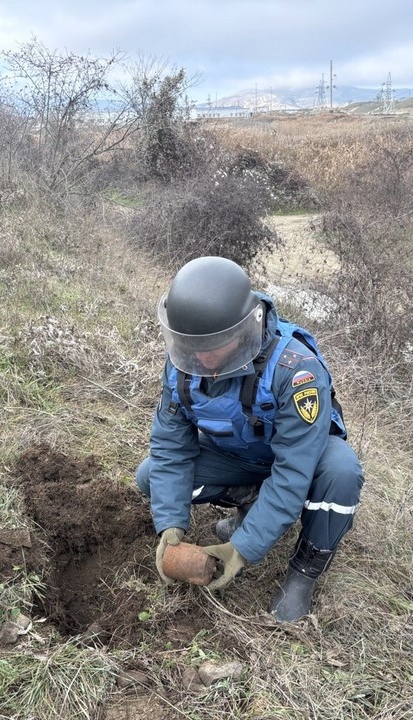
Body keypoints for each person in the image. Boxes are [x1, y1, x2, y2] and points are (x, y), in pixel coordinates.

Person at [135, 256, 365, 622]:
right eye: (192, 345)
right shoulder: (185, 360)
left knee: (342, 472)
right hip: (239, 456)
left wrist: (240, 551)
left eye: (214, 344)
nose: (201, 357)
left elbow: (293, 472)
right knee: (150, 476)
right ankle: (250, 501)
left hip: (297, 459)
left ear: (244, 329)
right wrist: (170, 526)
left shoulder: (296, 371)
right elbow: (170, 448)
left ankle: (302, 575)